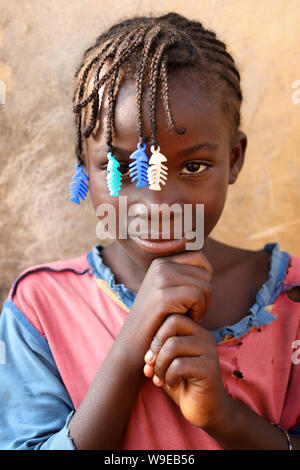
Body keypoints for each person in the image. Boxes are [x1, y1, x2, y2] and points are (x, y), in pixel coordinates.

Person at [0, 12, 300, 451]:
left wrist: (225, 418)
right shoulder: (41, 309)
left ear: (234, 159)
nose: (158, 206)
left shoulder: (292, 303)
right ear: (84, 164)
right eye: (121, 168)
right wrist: (128, 349)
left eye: (193, 166)